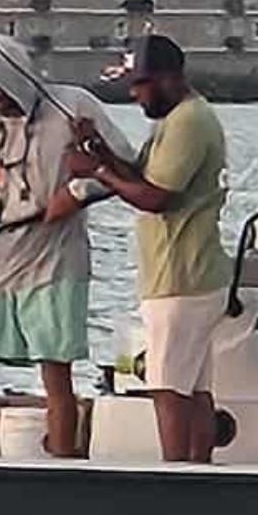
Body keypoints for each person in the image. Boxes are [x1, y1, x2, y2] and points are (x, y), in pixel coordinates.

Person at [0, 36, 132, 458]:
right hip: (1, 262)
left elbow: (124, 161)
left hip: (56, 261)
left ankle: (63, 457)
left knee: (54, 369)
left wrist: (76, 193)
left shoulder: (74, 106)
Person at [61, 33, 230, 463]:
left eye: (141, 84)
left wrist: (97, 169)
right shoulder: (174, 121)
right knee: (194, 387)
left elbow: (156, 197)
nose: (135, 95)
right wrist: (99, 148)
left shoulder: (189, 122)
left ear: (169, 78)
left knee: (167, 386)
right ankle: (198, 471)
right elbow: (138, 175)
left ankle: (175, 475)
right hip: (195, 276)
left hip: (181, 277)